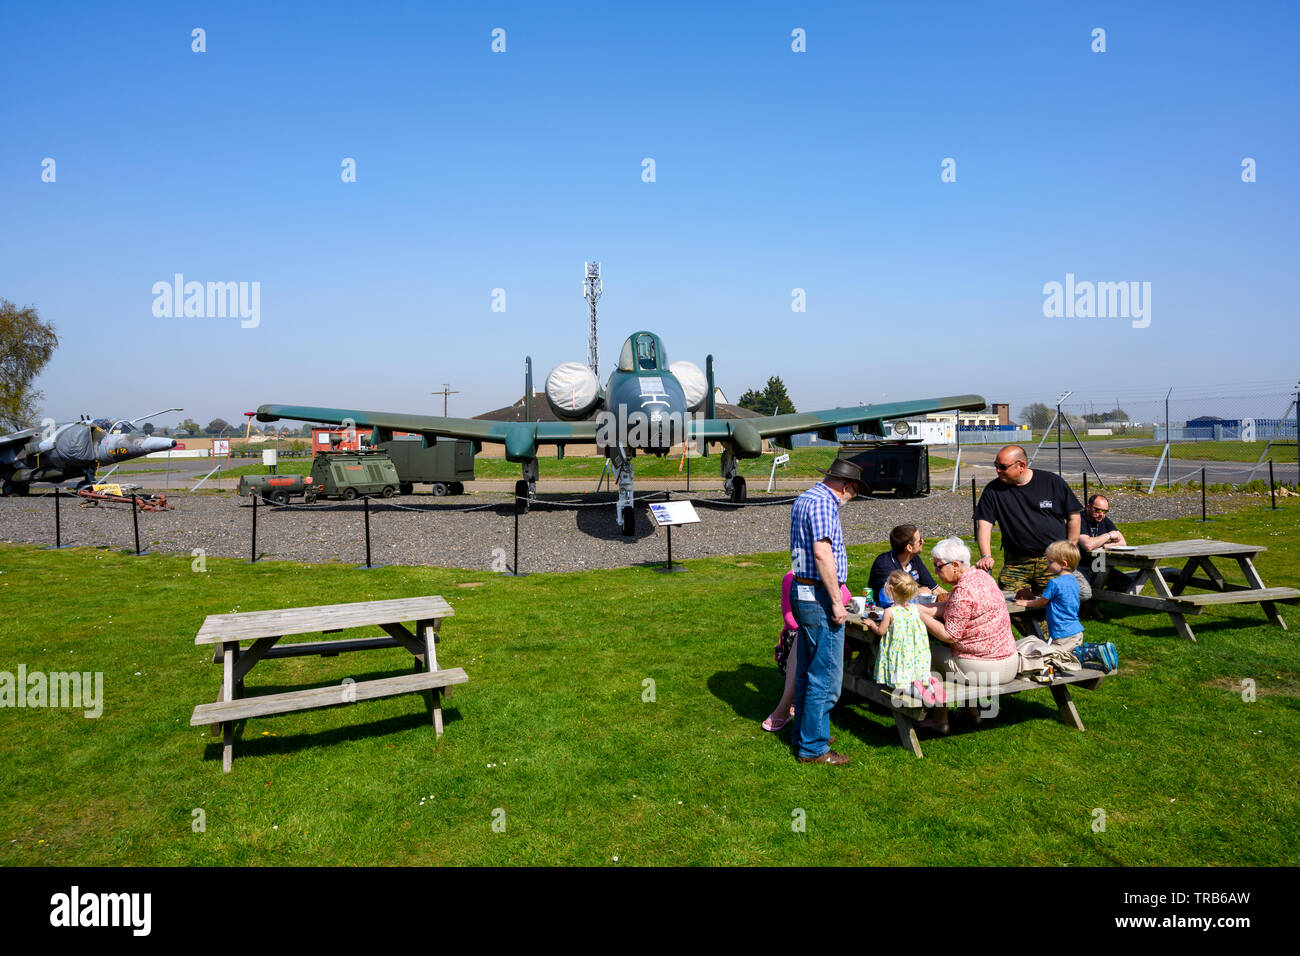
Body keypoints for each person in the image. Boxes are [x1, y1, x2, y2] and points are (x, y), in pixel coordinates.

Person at [788, 457, 862, 766]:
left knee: (807, 669)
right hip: (818, 595)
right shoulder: (824, 504)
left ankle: (807, 733)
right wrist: (835, 599)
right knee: (827, 675)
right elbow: (822, 553)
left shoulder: (806, 497)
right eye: (853, 492)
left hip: (803, 590)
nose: (850, 499)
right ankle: (814, 748)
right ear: (846, 486)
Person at [915, 537, 1020, 731]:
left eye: (938, 567)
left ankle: (940, 719)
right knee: (956, 655)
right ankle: (970, 712)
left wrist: (920, 614)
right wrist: (926, 608)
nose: (936, 572)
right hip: (1010, 661)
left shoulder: (963, 590)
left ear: (955, 565)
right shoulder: (982, 577)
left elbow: (950, 635)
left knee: (928, 655)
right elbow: (954, 607)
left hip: (986, 669)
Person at [974, 444, 1082, 597]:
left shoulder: (1052, 482)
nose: (998, 471)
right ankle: (1031, 622)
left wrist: (1071, 547)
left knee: (1055, 603)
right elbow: (984, 524)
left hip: (1052, 559)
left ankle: (1044, 621)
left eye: (1003, 467)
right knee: (1008, 601)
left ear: (1021, 466)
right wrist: (986, 555)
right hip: (1017, 562)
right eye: (996, 466)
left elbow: (1074, 516)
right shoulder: (993, 490)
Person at [764, 570, 853, 733]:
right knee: (802, 639)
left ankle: (804, 713)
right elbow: (790, 620)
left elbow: (846, 599)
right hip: (799, 633)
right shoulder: (791, 578)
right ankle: (788, 706)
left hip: (829, 630)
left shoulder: (833, 576)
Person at [863, 570, 944, 706]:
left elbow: (881, 631)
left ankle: (918, 692)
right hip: (915, 652)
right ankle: (931, 685)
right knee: (915, 677)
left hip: (900, 655)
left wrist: (871, 625)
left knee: (900, 687)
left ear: (891, 590)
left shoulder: (890, 612)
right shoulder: (914, 609)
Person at [1015, 540, 1084, 652]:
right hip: (1075, 631)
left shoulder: (1054, 583)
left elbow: (1042, 602)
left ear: (1064, 564)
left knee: (1050, 659)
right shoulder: (1073, 581)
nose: (1047, 565)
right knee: (1068, 658)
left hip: (1063, 634)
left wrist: (1026, 603)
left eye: (1050, 562)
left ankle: (1095, 652)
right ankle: (1088, 652)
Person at [866, 524, 944, 608]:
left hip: (911, 609)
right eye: (919, 541)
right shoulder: (884, 565)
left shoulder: (914, 559)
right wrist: (917, 592)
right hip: (886, 613)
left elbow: (935, 589)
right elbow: (890, 597)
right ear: (909, 548)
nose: (923, 541)